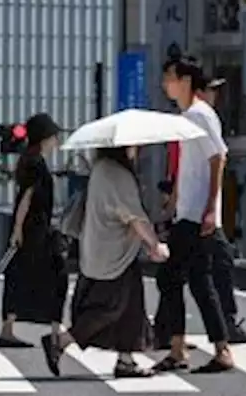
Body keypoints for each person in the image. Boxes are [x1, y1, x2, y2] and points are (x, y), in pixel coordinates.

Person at [41, 145, 168, 379]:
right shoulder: (116, 173)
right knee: (111, 306)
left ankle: (126, 360)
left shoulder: (100, 168)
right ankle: (61, 341)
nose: (135, 150)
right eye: (132, 146)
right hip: (114, 253)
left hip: (103, 248)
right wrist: (153, 244)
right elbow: (133, 216)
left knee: (131, 308)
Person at [154, 56, 235, 374]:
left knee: (173, 278)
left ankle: (187, 348)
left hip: (197, 216)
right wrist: (174, 199)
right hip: (188, 212)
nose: (166, 84)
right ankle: (211, 348)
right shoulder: (188, 116)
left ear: (186, 80)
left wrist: (211, 210)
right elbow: (192, 167)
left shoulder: (200, 115)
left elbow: (218, 159)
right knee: (197, 281)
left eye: (170, 78)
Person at [0, 113, 68, 349]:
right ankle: (55, 328)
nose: (56, 140)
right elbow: (26, 197)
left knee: (19, 276)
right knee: (57, 274)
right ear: (45, 137)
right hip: (34, 229)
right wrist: (18, 229)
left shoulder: (31, 160)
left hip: (32, 227)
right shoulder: (35, 163)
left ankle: (9, 328)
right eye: (54, 136)